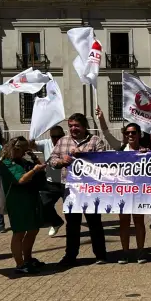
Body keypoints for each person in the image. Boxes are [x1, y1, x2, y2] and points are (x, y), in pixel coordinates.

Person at [49, 112, 109, 266]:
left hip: (90, 188)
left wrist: (84, 155)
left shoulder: (95, 141)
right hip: (70, 188)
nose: (73, 128)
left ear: (84, 126)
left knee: (94, 222)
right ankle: (70, 256)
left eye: (76, 125)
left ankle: (100, 254)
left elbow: (104, 162)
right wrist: (62, 161)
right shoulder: (63, 141)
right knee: (72, 224)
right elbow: (52, 160)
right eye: (70, 126)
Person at [0, 136, 46, 274]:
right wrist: (34, 170)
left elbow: (40, 170)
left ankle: (28, 259)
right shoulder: (6, 163)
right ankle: (20, 264)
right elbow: (21, 179)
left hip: (30, 199)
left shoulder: (22, 161)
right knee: (19, 232)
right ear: (15, 149)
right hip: (17, 201)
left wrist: (35, 160)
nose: (24, 153)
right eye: (23, 150)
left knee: (32, 229)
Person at [115, 122, 148, 263]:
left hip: (139, 191)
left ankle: (140, 251)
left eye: (133, 132)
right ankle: (125, 252)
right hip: (123, 191)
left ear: (139, 134)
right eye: (127, 133)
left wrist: (146, 155)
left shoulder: (146, 151)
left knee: (139, 222)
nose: (130, 135)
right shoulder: (120, 150)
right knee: (124, 222)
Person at [33, 125, 66, 236]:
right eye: (54, 136)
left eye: (59, 136)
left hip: (67, 182)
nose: (56, 139)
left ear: (63, 135)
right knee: (43, 204)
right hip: (51, 182)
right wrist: (33, 133)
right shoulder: (46, 143)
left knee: (70, 210)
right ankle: (56, 222)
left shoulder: (68, 143)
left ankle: (73, 232)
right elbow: (31, 145)